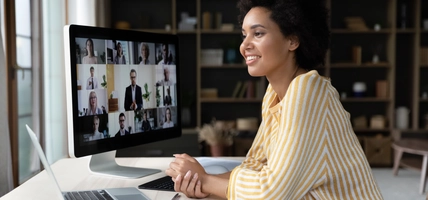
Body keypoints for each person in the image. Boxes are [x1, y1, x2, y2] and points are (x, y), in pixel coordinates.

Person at [165, 0, 383, 199]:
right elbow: (255, 165)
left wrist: (204, 180)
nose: (245, 45)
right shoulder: (275, 93)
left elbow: (271, 193)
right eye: (244, 35)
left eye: (258, 34)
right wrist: (198, 183)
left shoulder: (308, 90)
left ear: (292, 40)